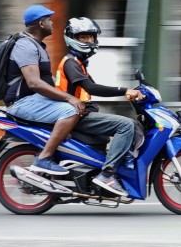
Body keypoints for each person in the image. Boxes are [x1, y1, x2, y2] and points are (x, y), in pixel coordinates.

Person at [55, 16, 144, 198]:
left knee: (127, 126)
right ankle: (107, 174)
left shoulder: (78, 63)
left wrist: (128, 92)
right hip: (76, 116)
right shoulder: (71, 63)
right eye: (83, 37)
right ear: (72, 38)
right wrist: (124, 90)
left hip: (80, 113)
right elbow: (92, 88)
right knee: (125, 125)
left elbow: (94, 86)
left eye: (91, 37)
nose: (89, 41)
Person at [4, 5, 86, 176]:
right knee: (71, 110)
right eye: (50, 20)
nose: (53, 23)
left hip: (34, 100)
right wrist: (68, 98)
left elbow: (45, 81)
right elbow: (34, 83)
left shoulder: (37, 45)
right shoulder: (25, 46)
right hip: (22, 102)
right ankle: (44, 158)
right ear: (41, 23)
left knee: (80, 106)